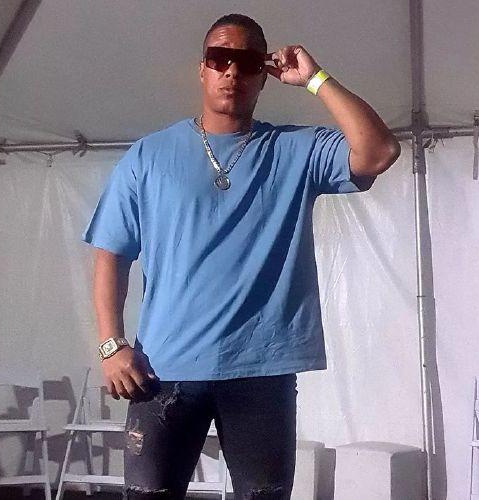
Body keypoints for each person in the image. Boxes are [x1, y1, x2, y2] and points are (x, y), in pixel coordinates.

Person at [83, 13, 400, 500]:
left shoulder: (294, 149)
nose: (232, 71)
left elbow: (378, 152)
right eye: (219, 58)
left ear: (264, 76)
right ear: (202, 69)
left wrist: (315, 78)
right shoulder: (148, 156)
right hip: (164, 370)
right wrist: (111, 346)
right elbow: (111, 253)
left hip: (261, 369)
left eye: (248, 62)